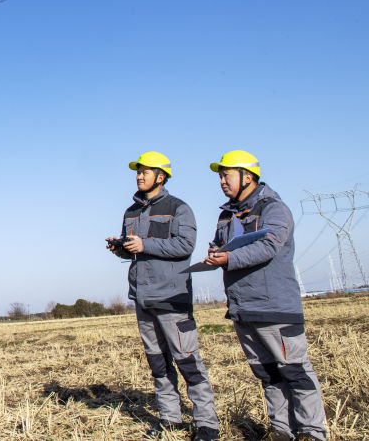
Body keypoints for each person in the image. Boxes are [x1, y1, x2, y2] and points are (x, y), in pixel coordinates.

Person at [203, 151, 326, 441]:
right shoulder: (226, 215)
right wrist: (214, 253)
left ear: (248, 176)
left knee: (295, 372)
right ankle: (282, 431)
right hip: (243, 308)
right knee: (268, 375)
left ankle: (312, 432)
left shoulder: (274, 209)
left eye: (227, 175)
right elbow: (220, 245)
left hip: (275, 307)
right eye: (220, 176)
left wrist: (227, 257)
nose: (222, 181)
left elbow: (270, 246)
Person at [107, 151, 220, 441]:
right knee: (158, 364)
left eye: (145, 171)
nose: (139, 175)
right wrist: (120, 247)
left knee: (187, 361)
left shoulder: (179, 208)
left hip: (172, 296)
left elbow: (185, 245)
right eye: (138, 171)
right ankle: (170, 419)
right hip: (142, 298)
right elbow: (135, 248)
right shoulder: (130, 211)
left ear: (162, 176)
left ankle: (207, 423)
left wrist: (145, 245)